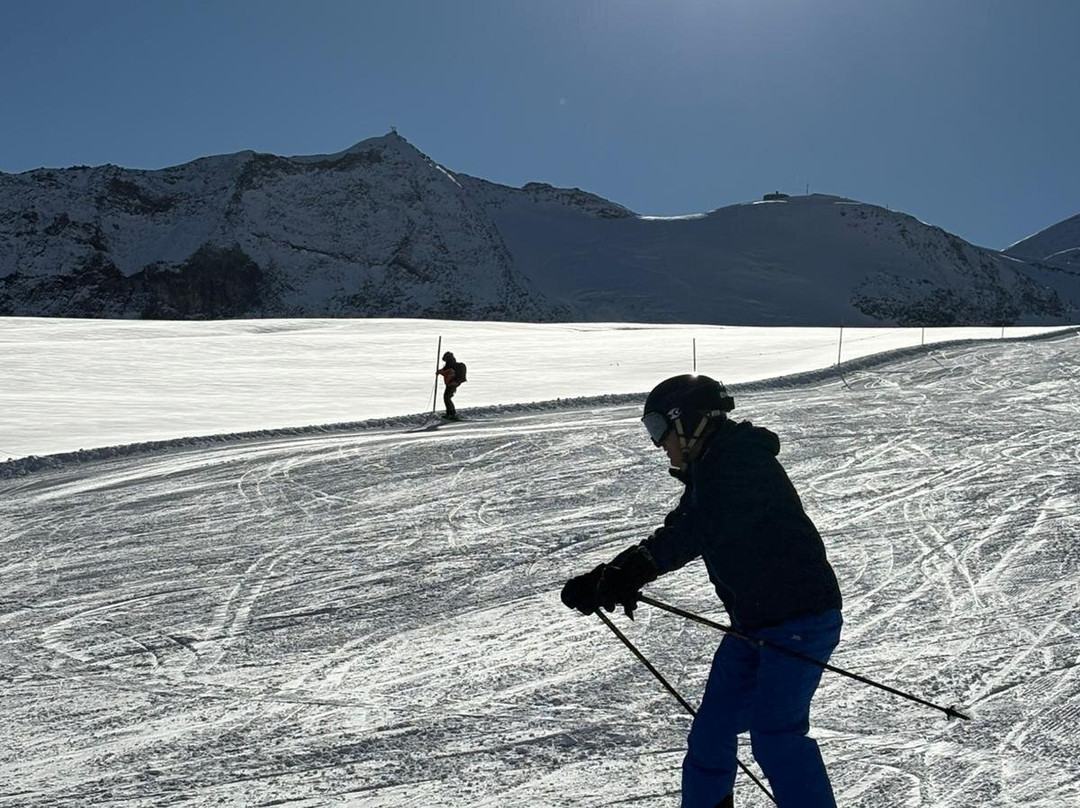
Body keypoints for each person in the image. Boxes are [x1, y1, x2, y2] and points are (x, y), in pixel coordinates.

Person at [560, 374, 843, 808]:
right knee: (713, 730)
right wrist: (610, 575)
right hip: (754, 624)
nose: (658, 443)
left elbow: (697, 530)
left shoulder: (742, 464)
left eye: (659, 428)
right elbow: (679, 527)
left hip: (801, 620)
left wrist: (629, 573)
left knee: (775, 734)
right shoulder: (712, 467)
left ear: (687, 421)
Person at [436, 351, 465, 420]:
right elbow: (445, 371)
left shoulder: (451, 366)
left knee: (447, 398)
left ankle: (452, 414)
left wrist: (439, 372)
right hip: (450, 384)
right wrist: (439, 372)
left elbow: (446, 372)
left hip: (452, 384)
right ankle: (450, 413)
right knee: (447, 398)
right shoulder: (450, 365)